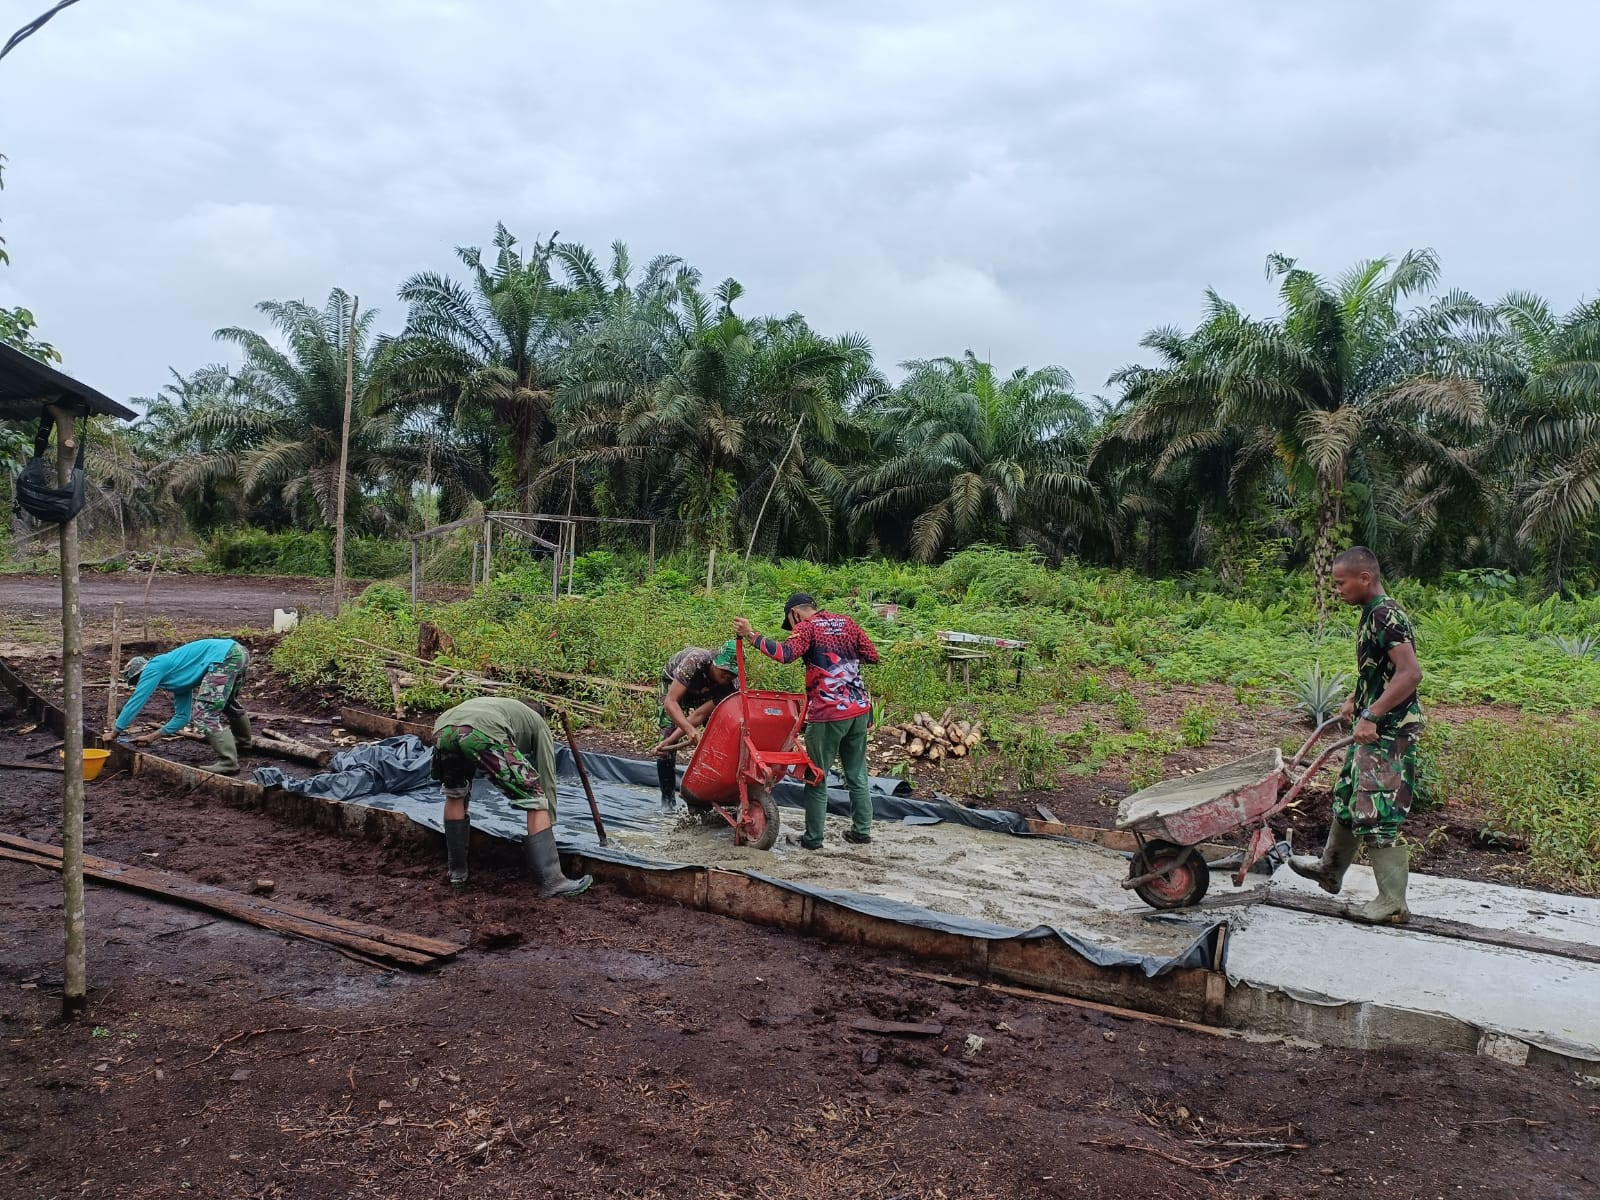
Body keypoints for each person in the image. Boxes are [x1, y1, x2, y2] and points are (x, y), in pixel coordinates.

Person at [1289, 547, 1424, 924]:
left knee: (1379, 813)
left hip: (1390, 732)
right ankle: (1330, 871)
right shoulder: (1372, 614)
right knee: (1349, 797)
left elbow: (1410, 674)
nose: (1337, 589)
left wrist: (1373, 714)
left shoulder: (1386, 615)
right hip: (1373, 727)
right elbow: (1380, 669)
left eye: (1340, 582)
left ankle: (1393, 902)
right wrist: (1356, 698)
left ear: (1365, 578)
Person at [733, 593, 879, 849]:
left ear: (794, 614)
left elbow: (785, 654)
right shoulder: (847, 622)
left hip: (829, 713)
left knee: (817, 776)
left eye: (790, 623)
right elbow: (872, 654)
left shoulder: (807, 627)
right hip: (858, 710)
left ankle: (812, 839)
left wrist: (751, 635)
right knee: (857, 775)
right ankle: (862, 831)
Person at [431, 696, 591, 898]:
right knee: (536, 796)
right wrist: (548, 816)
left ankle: (457, 873)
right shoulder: (538, 722)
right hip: (479, 730)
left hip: (442, 728)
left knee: (455, 793)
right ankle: (553, 881)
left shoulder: (502, 707)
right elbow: (546, 773)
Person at [113, 637, 253, 775]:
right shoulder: (178, 677)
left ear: (140, 674)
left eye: (137, 680)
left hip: (225, 656)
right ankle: (243, 743)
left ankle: (228, 762)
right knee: (227, 703)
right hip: (238, 653)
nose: (140, 683)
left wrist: (116, 731)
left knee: (204, 713)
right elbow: (183, 717)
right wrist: (152, 736)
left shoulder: (153, 667)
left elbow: (136, 701)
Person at [653, 640, 739, 808]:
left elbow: (699, 715)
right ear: (715, 662)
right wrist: (670, 741)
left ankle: (711, 798)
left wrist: (690, 731)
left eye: (732, 674)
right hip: (675, 684)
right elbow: (671, 702)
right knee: (669, 732)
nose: (727, 676)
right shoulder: (695, 662)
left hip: (707, 692)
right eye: (724, 671)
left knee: (718, 734)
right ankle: (668, 801)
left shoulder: (730, 686)